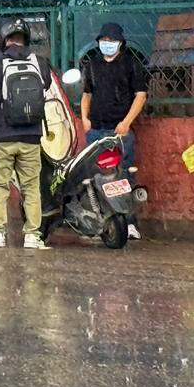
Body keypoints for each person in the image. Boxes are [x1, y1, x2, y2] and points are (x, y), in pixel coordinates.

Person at [0, 18, 52, 249]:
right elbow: (46, 86)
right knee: (31, 187)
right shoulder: (40, 62)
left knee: (0, 187)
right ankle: (32, 235)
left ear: (3, 38)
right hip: (31, 136)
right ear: (25, 37)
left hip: (2, 136)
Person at [80, 22, 149, 240]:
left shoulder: (130, 64)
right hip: (95, 130)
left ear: (120, 43)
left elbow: (140, 96)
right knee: (94, 178)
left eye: (111, 40)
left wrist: (126, 123)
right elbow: (86, 95)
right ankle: (100, 224)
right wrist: (84, 119)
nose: (107, 44)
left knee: (123, 176)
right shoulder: (92, 64)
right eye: (104, 40)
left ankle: (129, 223)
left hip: (120, 132)